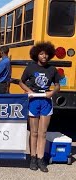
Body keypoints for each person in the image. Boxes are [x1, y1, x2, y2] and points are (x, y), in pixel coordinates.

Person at [19, 42, 60, 172]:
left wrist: (52, 92)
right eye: (41, 53)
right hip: (33, 102)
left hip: (46, 102)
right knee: (34, 132)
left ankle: (41, 159)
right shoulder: (30, 68)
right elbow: (21, 82)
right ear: (36, 55)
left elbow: (58, 85)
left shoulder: (52, 69)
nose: (44, 56)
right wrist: (29, 91)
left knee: (43, 133)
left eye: (46, 54)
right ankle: (32, 158)